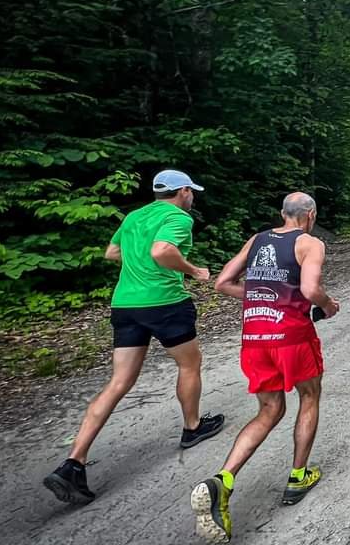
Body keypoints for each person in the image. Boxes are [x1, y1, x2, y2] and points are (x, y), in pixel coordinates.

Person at [43, 170, 224, 505]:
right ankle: (192, 426)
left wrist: (138, 263)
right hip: (165, 303)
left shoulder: (134, 216)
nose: (193, 197)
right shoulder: (178, 217)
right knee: (189, 364)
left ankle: (74, 463)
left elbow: (112, 253)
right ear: (183, 191)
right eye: (192, 191)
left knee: (118, 382)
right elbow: (161, 251)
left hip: (125, 304)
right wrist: (193, 271)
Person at [191, 192, 339, 544]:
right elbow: (309, 288)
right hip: (292, 335)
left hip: (255, 335)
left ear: (282, 214)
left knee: (269, 410)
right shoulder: (310, 243)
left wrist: (262, 294)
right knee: (309, 396)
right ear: (311, 215)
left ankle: (222, 481)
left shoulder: (257, 239)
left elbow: (222, 283)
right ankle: (298, 475)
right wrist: (328, 305)